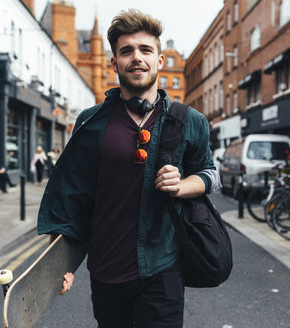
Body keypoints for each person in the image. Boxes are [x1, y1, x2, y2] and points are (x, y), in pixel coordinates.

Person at [37, 9, 220, 327]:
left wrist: (182, 185)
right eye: (126, 51)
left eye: (146, 50)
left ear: (159, 61)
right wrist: (59, 265)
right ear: (114, 63)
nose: (137, 58)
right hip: (107, 272)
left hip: (162, 269)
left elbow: (210, 173)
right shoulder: (91, 122)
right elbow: (72, 199)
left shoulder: (190, 120)